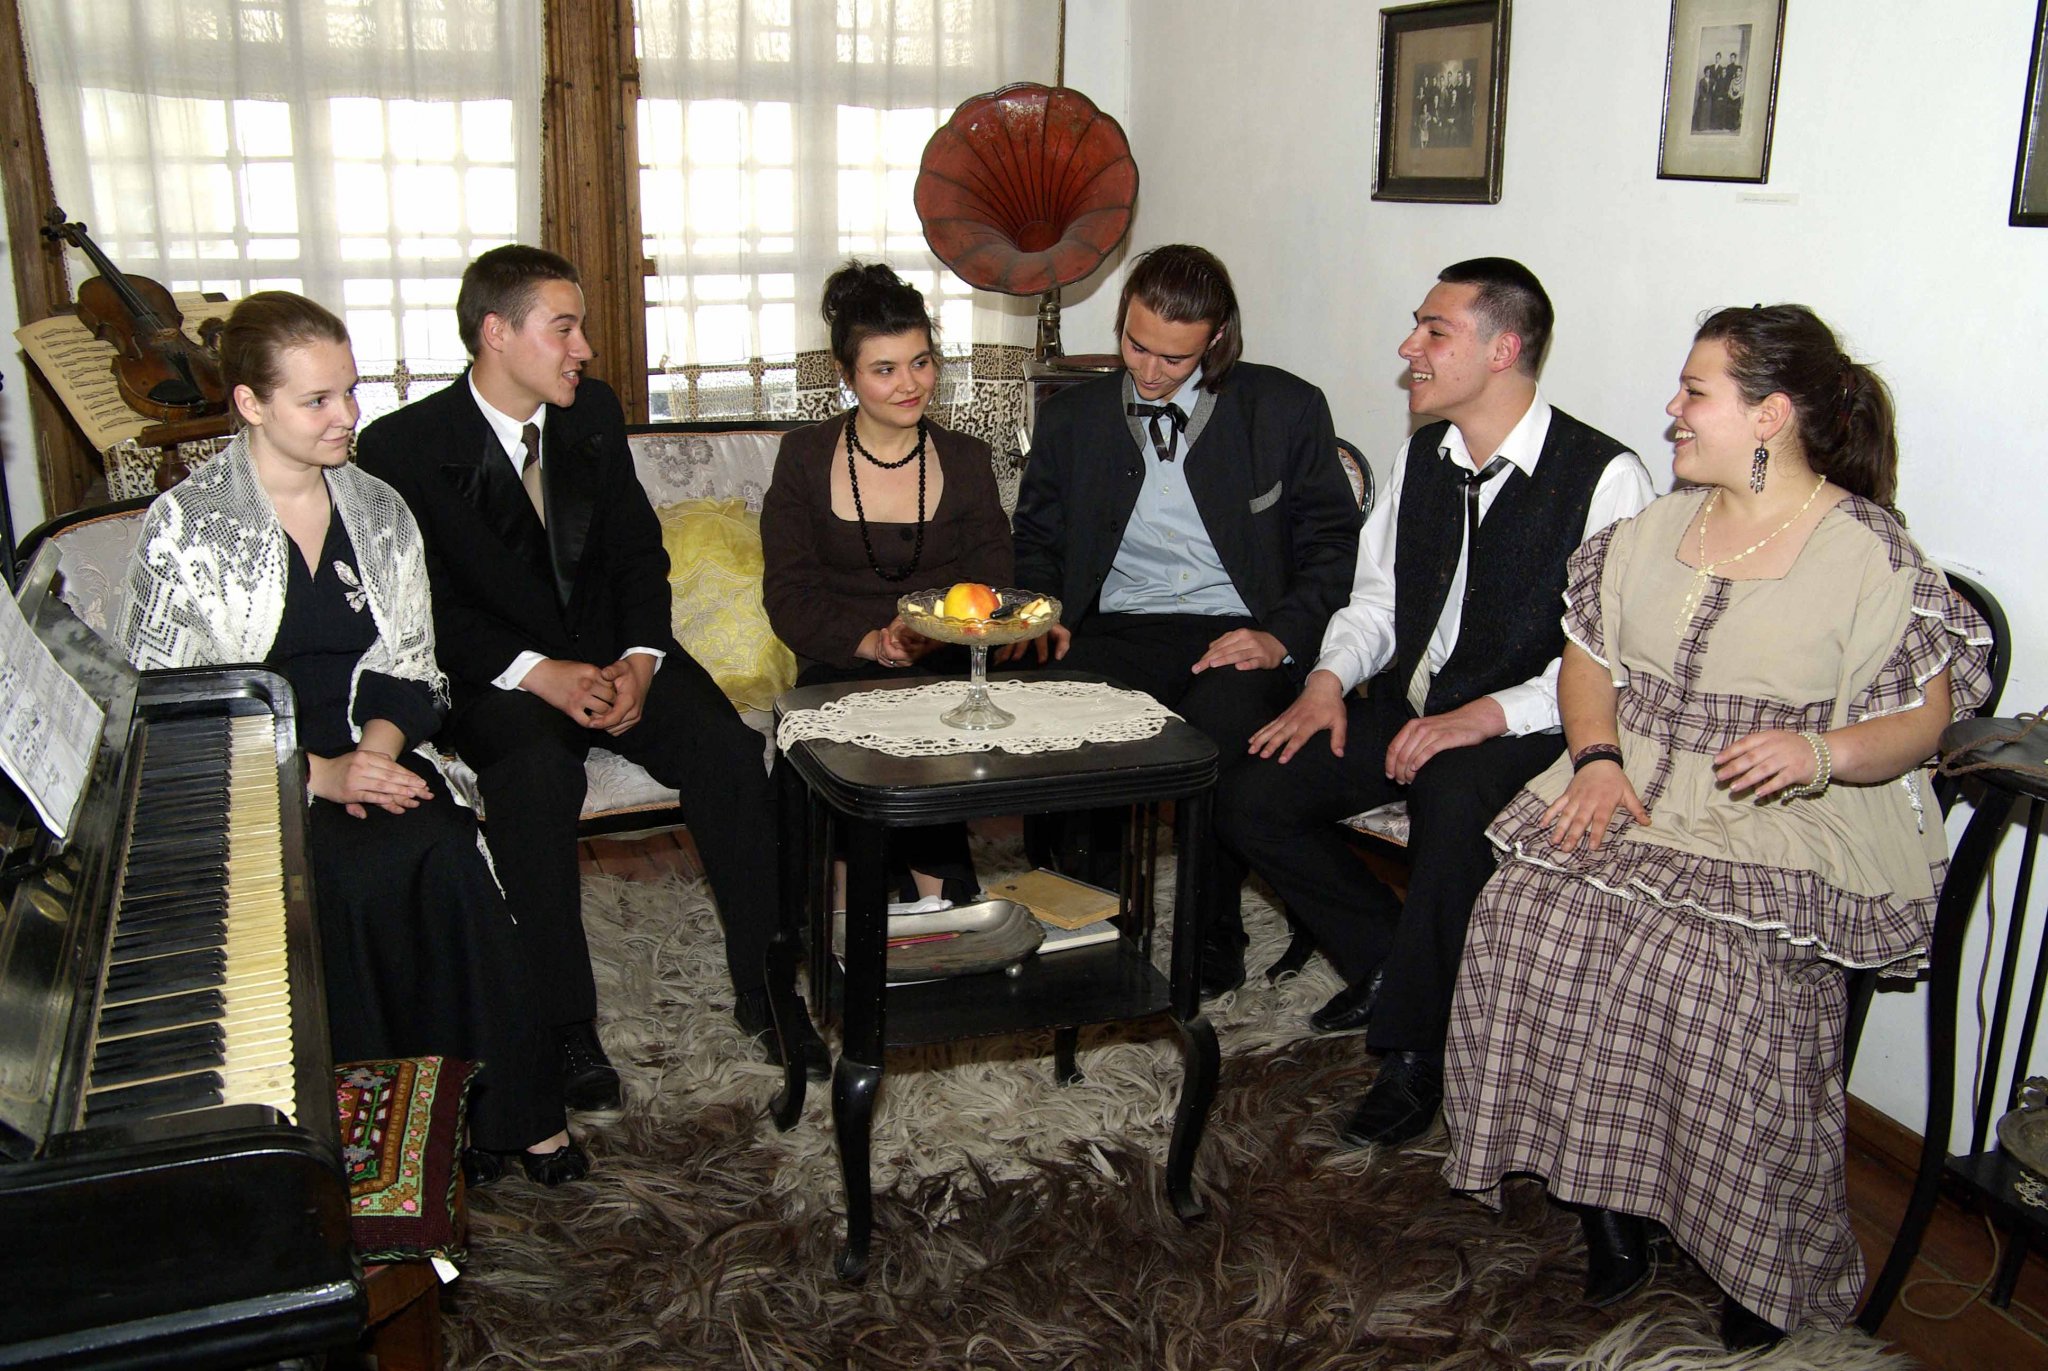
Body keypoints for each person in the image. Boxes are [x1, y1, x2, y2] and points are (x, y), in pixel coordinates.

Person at [1440, 305, 1991, 1350]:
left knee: (1710, 971)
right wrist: (1597, 758)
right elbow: (1587, 663)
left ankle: (1759, 1249)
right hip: (1636, 782)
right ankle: (1605, 1202)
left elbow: (1923, 718)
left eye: (1695, 393)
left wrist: (1820, 752)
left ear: (1769, 415)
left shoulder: (1866, 550)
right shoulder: (1655, 529)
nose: (1673, 410)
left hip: (1791, 814)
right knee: (1523, 916)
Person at [113, 292, 588, 1184]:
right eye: (317, 400)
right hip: (255, 778)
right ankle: (378, 1138)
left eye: (350, 391)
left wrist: (376, 751)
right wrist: (322, 776)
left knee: (445, 848)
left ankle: (506, 1112)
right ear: (251, 403)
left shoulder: (377, 507)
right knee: (351, 871)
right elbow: (173, 710)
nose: (347, 416)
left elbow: (415, 663)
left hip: (377, 749)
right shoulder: (186, 529)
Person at [356, 246, 828, 1098]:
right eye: (564, 327)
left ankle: (766, 989)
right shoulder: (402, 447)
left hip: (619, 654)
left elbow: (640, 555)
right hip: (500, 678)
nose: (584, 349)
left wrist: (641, 663)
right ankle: (566, 1027)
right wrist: (541, 673)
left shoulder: (592, 412)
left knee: (728, 752)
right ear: (497, 333)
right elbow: (426, 609)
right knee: (534, 776)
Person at [1216, 258, 1654, 1147]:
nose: (1408, 348)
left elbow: (1612, 658)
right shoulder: (1422, 454)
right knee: (1254, 787)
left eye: (1434, 331)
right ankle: (1392, 961)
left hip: (1535, 721)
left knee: (1453, 796)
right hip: (1417, 703)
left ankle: (1419, 1051)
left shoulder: (1606, 476)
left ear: (1503, 350)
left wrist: (1484, 716)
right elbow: (1376, 603)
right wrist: (1326, 681)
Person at [1008, 243, 1362, 996]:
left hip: (1238, 628)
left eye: (1174, 357)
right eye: (1136, 344)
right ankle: (1089, 931)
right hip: (1117, 624)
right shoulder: (1073, 418)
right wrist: (1044, 611)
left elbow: (1334, 546)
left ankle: (1212, 940)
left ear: (1218, 339)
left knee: (1221, 742)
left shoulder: (1285, 408)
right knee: (1068, 726)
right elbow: (1036, 537)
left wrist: (1281, 636)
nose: (1149, 369)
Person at [760, 262, 1012, 902]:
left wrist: (931, 634)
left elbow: (994, 582)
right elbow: (788, 595)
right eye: (885, 369)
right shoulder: (803, 456)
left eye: (921, 363)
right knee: (841, 738)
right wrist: (873, 642)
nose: (910, 384)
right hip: (839, 661)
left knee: (929, 720)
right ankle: (846, 903)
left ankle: (937, 900)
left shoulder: (966, 459)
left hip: (946, 658)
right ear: (846, 375)